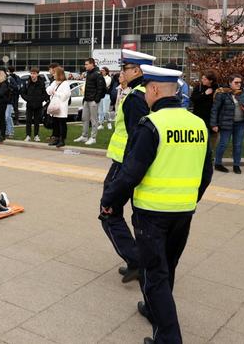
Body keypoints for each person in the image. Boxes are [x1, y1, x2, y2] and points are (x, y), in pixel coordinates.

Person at [101, 64, 212, 344]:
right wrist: (191, 198)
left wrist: (110, 201)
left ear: (154, 90)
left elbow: (131, 172)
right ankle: (153, 310)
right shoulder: (197, 124)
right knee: (168, 267)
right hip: (183, 212)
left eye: (147, 91)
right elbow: (206, 172)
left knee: (155, 275)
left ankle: (168, 339)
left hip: (152, 213)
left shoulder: (152, 125)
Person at [101, 49, 155, 283]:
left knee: (108, 211)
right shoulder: (144, 93)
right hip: (128, 162)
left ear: (137, 71)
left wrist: (128, 170)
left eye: (125, 69)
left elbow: (136, 135)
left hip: (125, 163)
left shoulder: (136, 98)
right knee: (135, 215)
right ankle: (141, 260)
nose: (121, 72)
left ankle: (136, 260)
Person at [211, 74, 244, 174]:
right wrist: (214, 124)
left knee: (238, 145)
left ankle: (236, 165)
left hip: (240, 124)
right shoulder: (222, 93)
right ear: (230, 82)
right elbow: (215, 109)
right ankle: (218, 163)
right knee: (223, 144)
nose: (239, 84)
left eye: (240, 82)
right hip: (226, 123)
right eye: (236, 82)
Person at [74, 58, 105, 146]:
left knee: (94, 120)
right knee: (84, 118)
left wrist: (96, 100)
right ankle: (84, 136)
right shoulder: (89, 73)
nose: (85, 66)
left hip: (93, 101)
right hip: (87, 99)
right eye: (85, 64)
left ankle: (93, 138)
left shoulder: (98, 74)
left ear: (92, 64)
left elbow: (101, 88)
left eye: (87, 64)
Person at [190, 69, 219, 147]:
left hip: (212, 118)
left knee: (212, 142)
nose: (202, 80)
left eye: (205, 79)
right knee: (200, 141)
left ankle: (210, 157)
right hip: (199, 117)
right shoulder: (198, 87)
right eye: (202, 78)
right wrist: (204, 94)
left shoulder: (217, 89)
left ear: (211, 81)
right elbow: (193, 99)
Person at [45, 67, 71, 148]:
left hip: (61, 107)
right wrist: (52, 88)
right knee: (55, 123)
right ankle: (56, 139)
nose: (53, 74)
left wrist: (55, 93)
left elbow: (66, 95)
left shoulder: (65, 84)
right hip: (54, 107)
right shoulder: (54, 82)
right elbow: (48, 91)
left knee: (62, 124)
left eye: (55, 73)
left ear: (59, 74)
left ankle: (62, 140)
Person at [21, 67, 47, 142]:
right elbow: (23, 93)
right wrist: (28, 99)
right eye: (31, 73)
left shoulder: (41, 82)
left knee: (37, 121)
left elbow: (44, 93)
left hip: (38, 105)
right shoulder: (27, 82)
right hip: (29, 105)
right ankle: (28, 135)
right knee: (28, 121)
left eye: (34, 73)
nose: (32, 75)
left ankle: (36, 135)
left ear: (37, 74)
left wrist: (40, 99)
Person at [5, 67, 21, 138]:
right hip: (12, 96)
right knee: (11, 113)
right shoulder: (16, 77)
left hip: (12, 96)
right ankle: (11, 129)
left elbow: (16, 87)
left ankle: (11, 130)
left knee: (8, 115)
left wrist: (9, 86)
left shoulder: (11, 78)